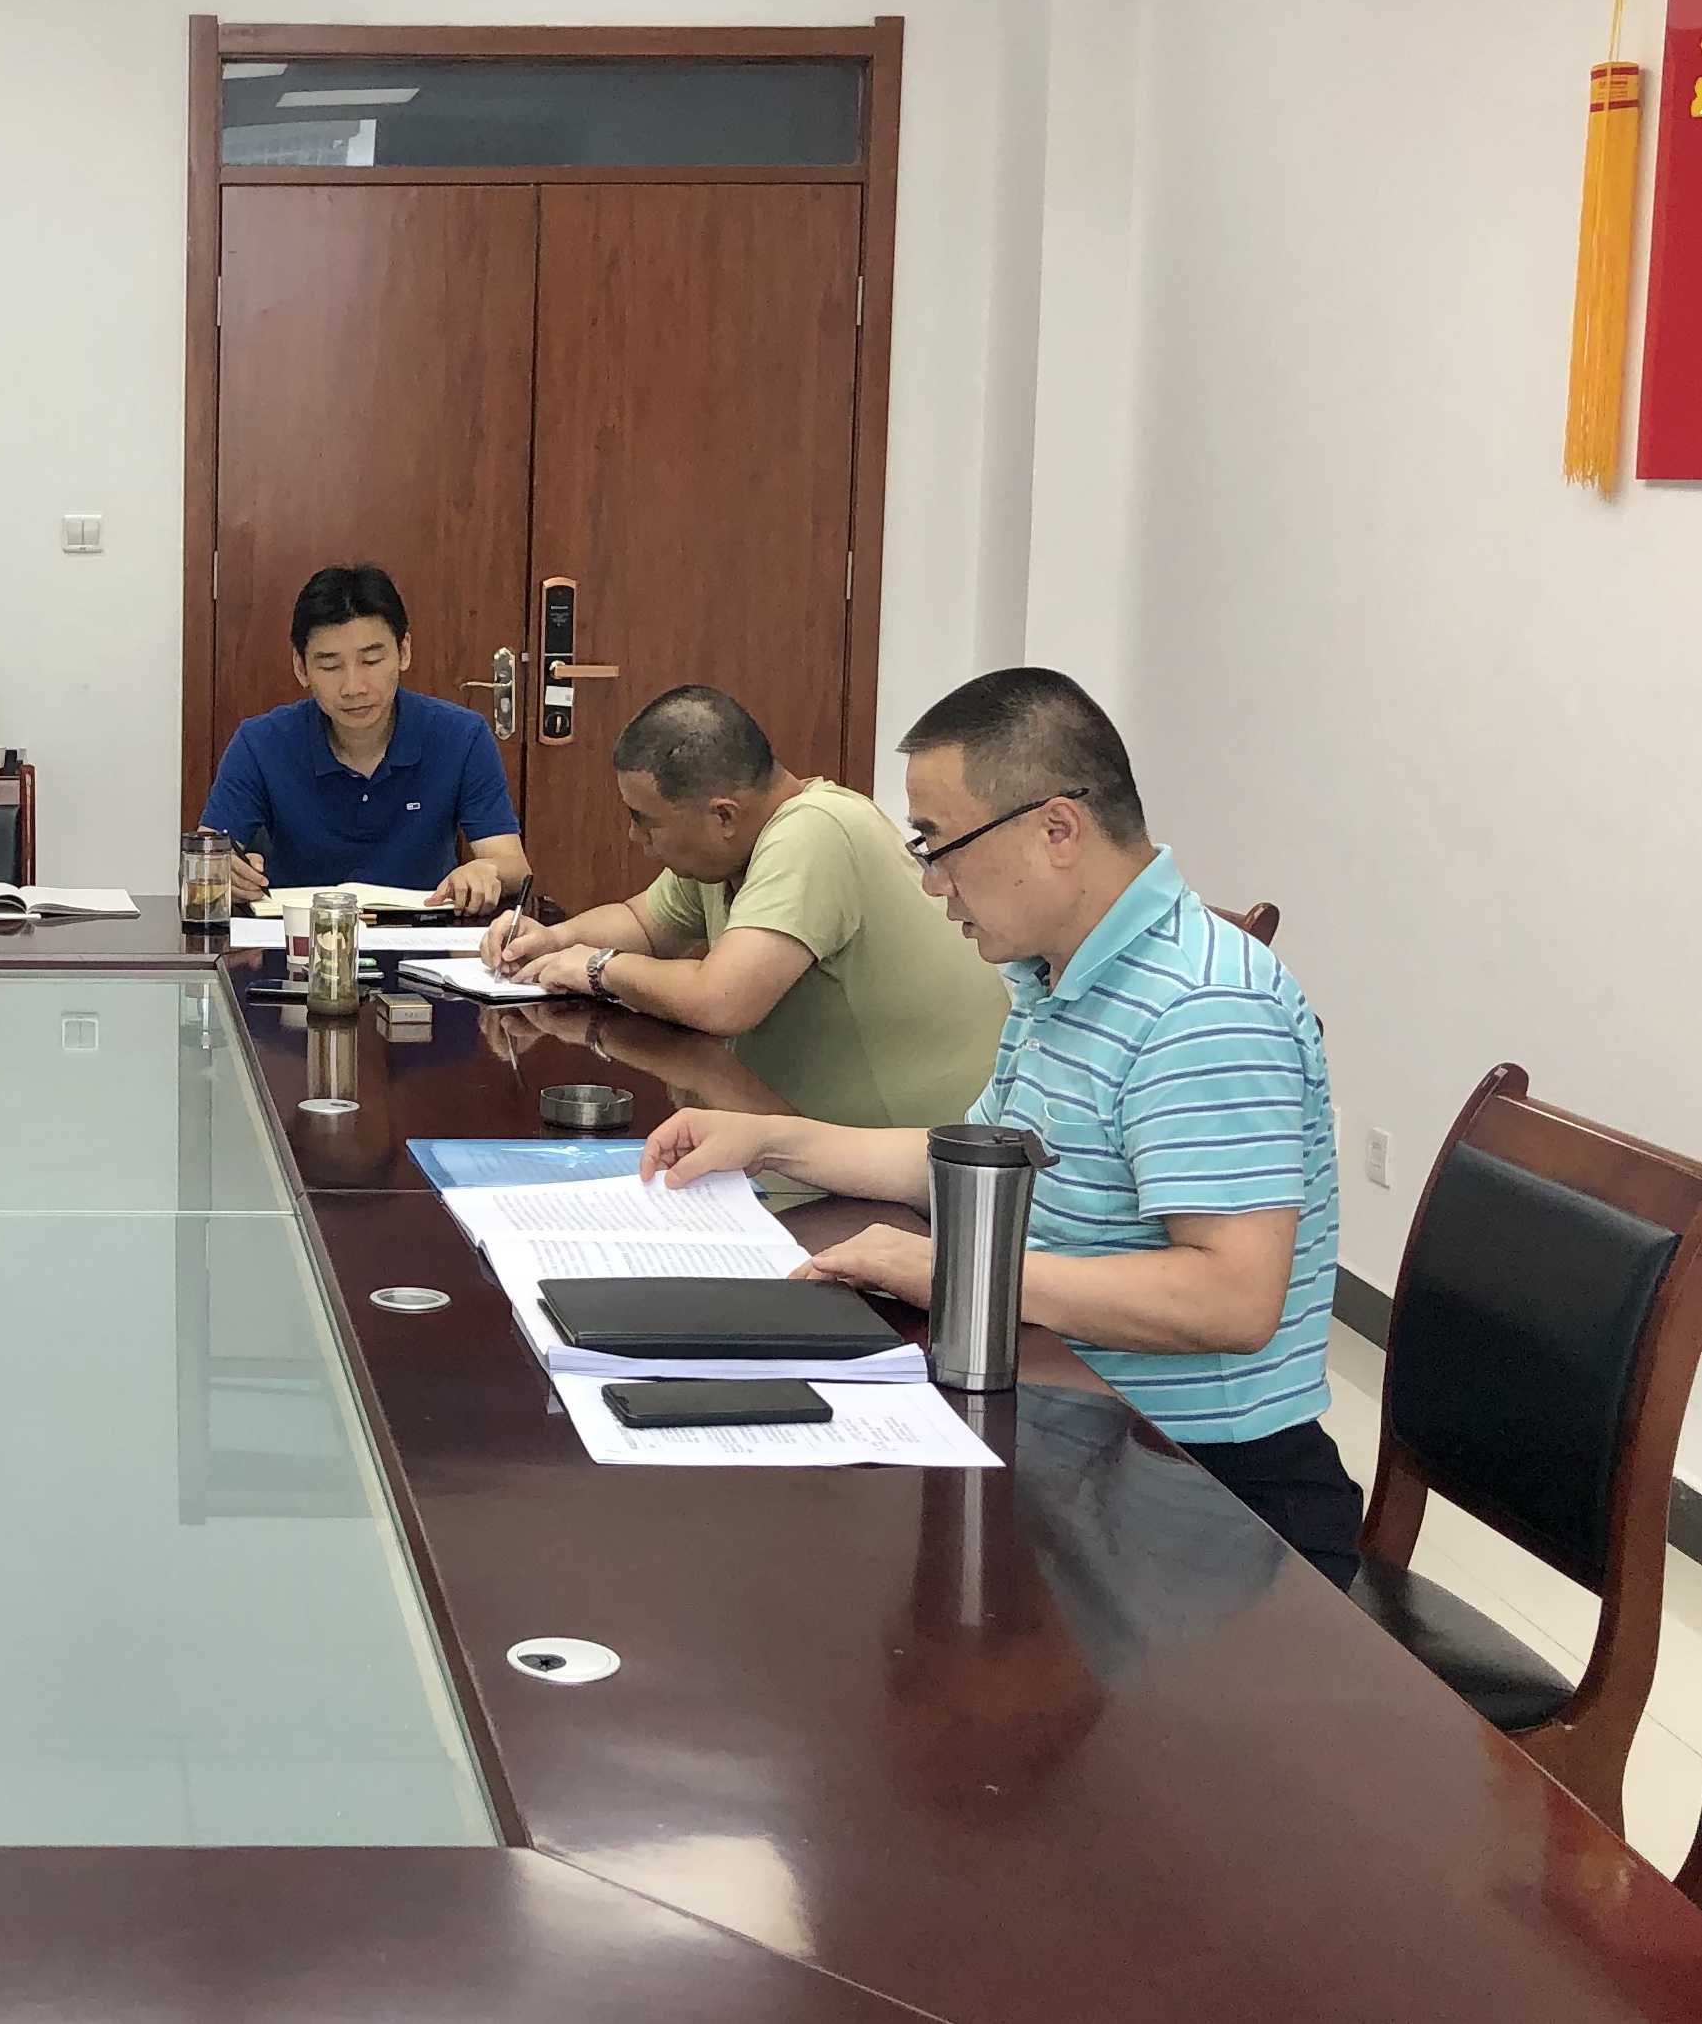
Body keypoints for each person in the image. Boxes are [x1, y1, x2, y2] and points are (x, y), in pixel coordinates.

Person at [641, 667, 1359, 1586]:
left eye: (940, 844)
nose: (930, 882)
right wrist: (769, 1139)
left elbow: (1230, 1300)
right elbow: (970, 1159)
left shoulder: (1202, 1006)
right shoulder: (1058, 973)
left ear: (1056, 828)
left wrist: (956, 1273)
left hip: (1204, 1492)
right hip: (1077, 1424)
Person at [485, 684, 1005, 1127]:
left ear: (724, 816)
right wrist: (553, 939)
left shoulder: (814, 831)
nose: (633, 836)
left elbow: (721, 1002)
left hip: (921, 1171)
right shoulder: (728, 852)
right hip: (808, 1140)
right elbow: (642, 923)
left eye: (646, 820)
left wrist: (598, 968)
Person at [199, 563, 530, 915]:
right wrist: (219, 871)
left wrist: (487, 871)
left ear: (404, 652)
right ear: (301, 668)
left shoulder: (461, 735)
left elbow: (513, 865)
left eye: (371, 660)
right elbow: (204, 857)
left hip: (422, 935)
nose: (353, 687)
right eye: (330, 666)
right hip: (298, 938)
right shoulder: (260, 743)